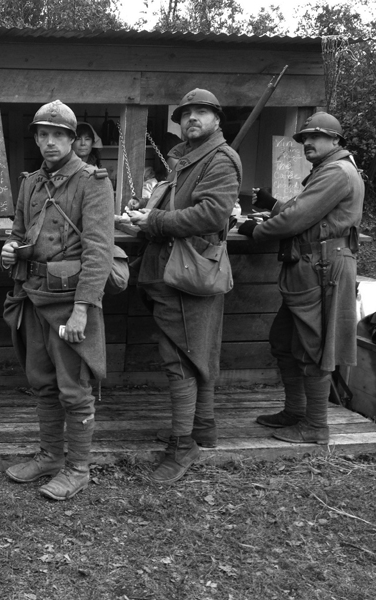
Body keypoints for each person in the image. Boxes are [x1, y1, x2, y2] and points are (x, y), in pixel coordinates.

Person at [1, 100, 114, 500]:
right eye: (43, 134)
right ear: (36, 137)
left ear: (72, 140)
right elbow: (18, 232)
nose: (50, 142)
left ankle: (79, 469)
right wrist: (11, 250)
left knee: (74, 389)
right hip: (34, 296)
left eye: (59, 135)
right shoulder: (30, 182)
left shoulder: (93, 181)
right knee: (42, 383)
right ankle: (50, 456)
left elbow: (98, 252)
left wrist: (84, 309)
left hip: (70, 303)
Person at [129, 89, 242, 484]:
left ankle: (183, 446)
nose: (192, 118)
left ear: (216, 119)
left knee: (179, 354)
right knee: (197, 348)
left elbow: (212, 213)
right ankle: (203, 427)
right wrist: (148, 216)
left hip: (189, 269)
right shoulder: (185, 158)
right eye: (186, 113)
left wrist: (154, 221)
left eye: (201, 112)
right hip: (175, 265)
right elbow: (182, 206)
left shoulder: (221, 158)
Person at [238, 112, 363, 444]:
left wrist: (256, 229)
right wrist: (273, 204)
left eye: (316, 137)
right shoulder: (326, 171)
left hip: (323, 269)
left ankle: (316, 426)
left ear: (336, 141)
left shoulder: (337, 172)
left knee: (313, 346)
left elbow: (297, 220)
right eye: (304, 137)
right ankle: (295, 412)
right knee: (284, 341)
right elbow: (303, 210)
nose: (307, 142)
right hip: (309, 266)